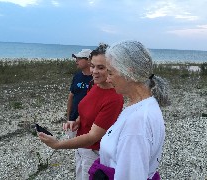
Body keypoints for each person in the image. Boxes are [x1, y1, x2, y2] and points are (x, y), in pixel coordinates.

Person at [38, 44, 124, 180]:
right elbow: (85, 109)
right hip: (81, 146)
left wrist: (57, 144)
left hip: (94, 152)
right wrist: (77, 121)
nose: (94, 71)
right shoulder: (94, 84)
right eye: (92, 66)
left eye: (101, 67)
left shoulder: (114, 98)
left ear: (112, 69)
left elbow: (93, 136)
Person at [89, 40, 170, 180]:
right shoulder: (143, 105)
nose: (108, 79)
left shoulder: (138, 121)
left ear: (129, 72)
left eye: (111, 73)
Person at [66, 49, 93, 138]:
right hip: (74, 118)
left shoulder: (95, 78)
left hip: (89, 121)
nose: (76, 60)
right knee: (75, 145)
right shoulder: (77, 76)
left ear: (89, 60)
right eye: (76, 58)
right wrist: (69, 117)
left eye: (80, 58)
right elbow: (71, 96)